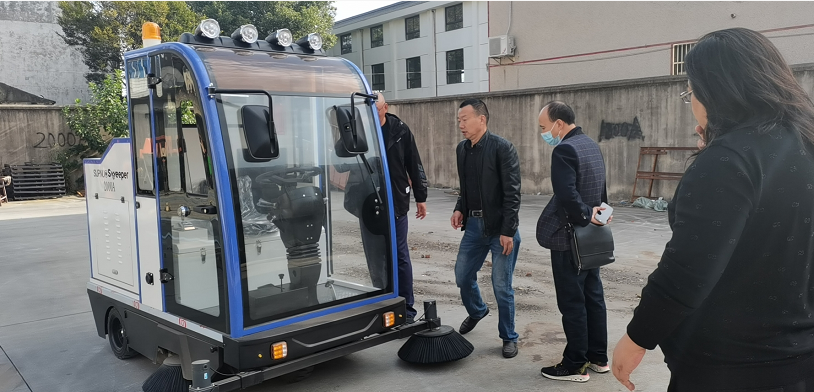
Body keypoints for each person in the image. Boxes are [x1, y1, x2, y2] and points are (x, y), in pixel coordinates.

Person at [612, 28, 814, 392]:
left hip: (731, 365)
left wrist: (637, 338)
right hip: (800, 354)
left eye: (692, 91)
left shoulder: (729, 160)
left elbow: (688, 270)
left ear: (716, 90)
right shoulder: (805, 142)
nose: (692, 101)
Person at [535, 101, 611, 382]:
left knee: (572, 302)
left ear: (558, 124)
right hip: (591, 239)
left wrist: (584, 215)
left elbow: (566, 194)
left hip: (569, 239)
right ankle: (598, 357)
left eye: (544, 127)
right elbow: (600, 186)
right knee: (593, 296)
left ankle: (575, 364)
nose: (543, 133)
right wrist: (601, 211)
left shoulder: (564, 149)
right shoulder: (590, 144)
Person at [450, 98, 522, 358]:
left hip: (500, 228)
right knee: (462, 275)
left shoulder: (503, 148)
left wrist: (508, 231)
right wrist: (460, 207)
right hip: (473, 227)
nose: (461, 124)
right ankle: (478, 310)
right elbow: (466, 187)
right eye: (459, 120)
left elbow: (513, 194)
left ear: (481, 119)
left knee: (502, 286)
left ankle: (509, 336)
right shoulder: (462, 149)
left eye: (465, 119)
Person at [373, 93, 428, 323]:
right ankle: (382, 302)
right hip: (370, 203)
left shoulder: (400, 131)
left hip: (396, 200)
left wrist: (421, 197)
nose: (373, 115)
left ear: (385, 107)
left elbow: (413, 163)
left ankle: (407, 309)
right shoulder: (361, 131)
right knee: (377, 256)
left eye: (376, 109)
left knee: (399, 254)